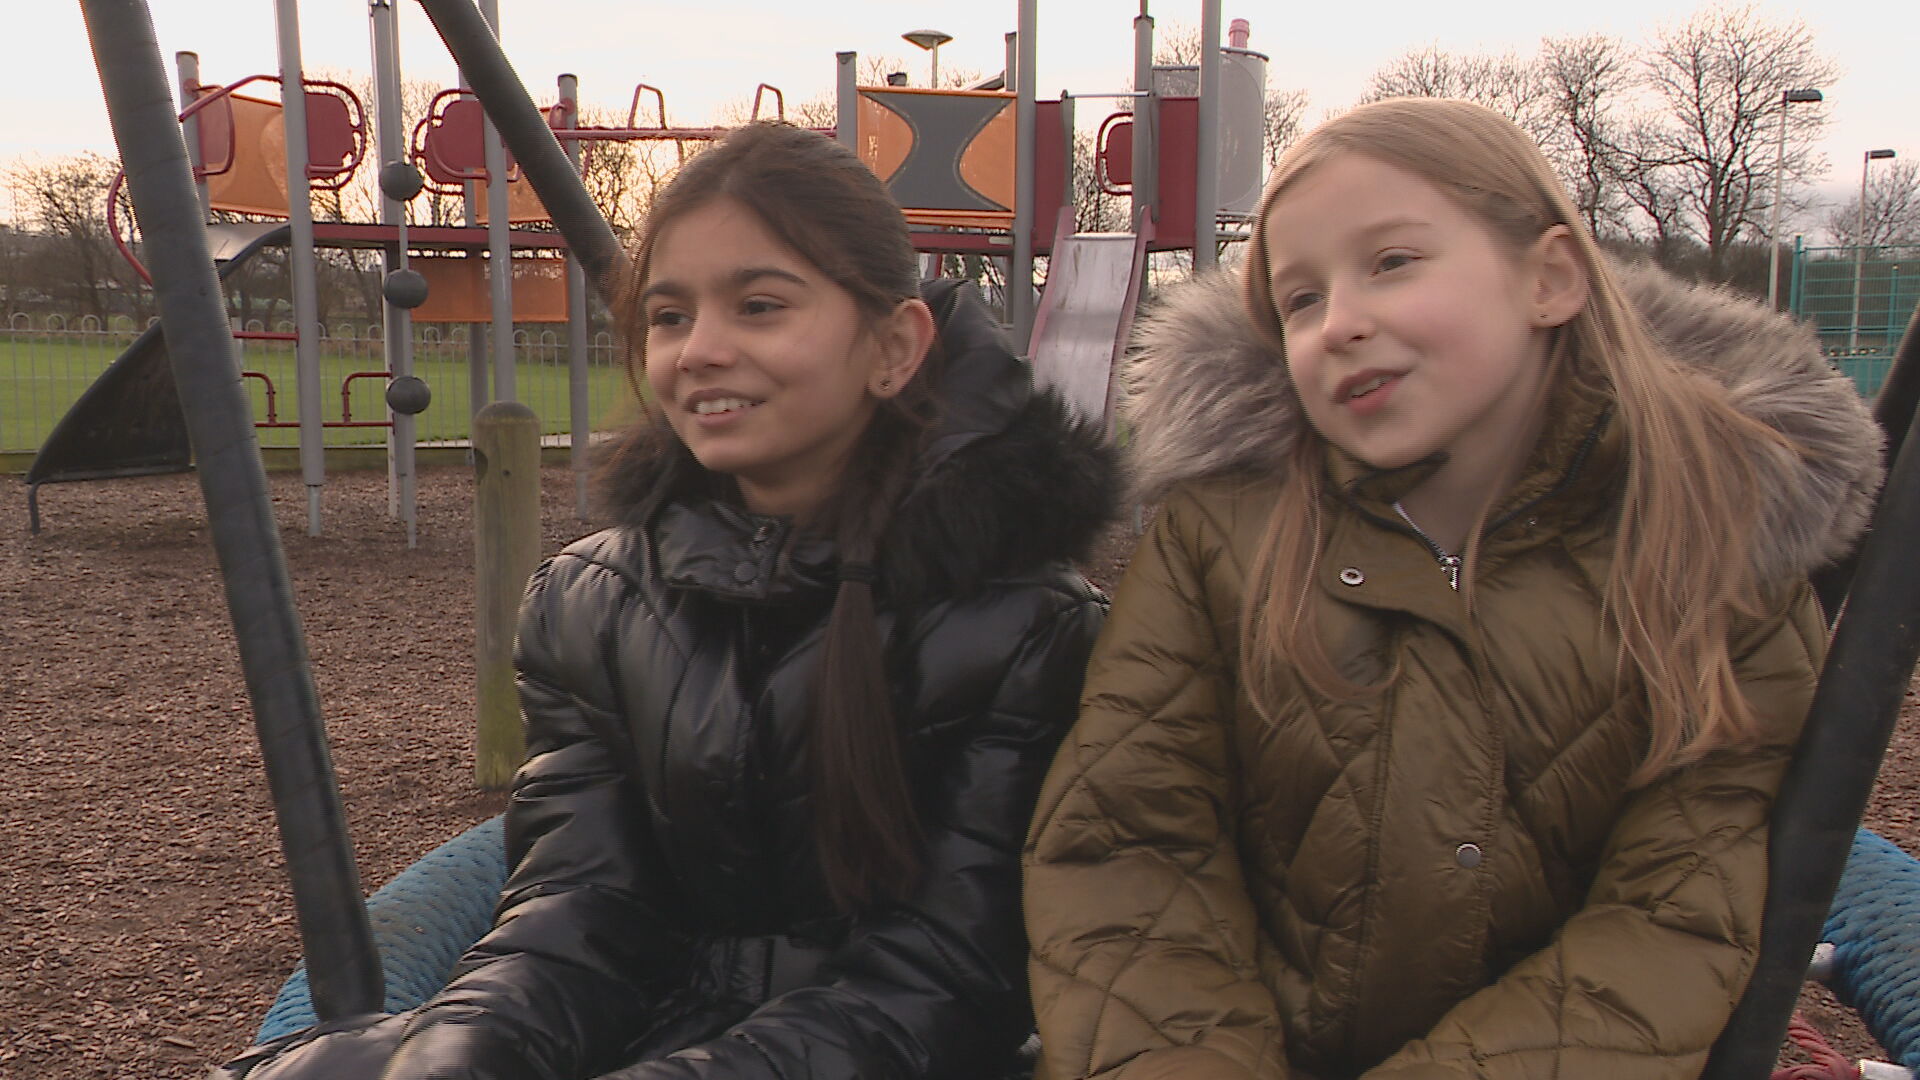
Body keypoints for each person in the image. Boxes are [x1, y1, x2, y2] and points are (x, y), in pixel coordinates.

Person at [224, 120, 1116, 1080]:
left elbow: (946, 982)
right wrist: (466, 1056)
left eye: (761, 306)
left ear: (893, 346)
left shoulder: (1024, 628)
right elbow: (579, 912)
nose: (699, 352)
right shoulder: (594, 601)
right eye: (670, 315)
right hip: (654, 1033)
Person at [1022, 98, 1885, 1080]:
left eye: (1390, 262)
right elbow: (1130, 847)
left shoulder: (1709, 540)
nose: (1339, 322)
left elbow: (1675, 917)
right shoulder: (1221, 535)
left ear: (1550, 279)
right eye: (1299, 300)